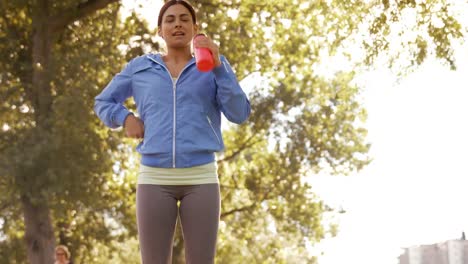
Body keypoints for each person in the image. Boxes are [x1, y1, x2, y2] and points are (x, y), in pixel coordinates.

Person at [94, 0, 251, 263]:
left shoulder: (214, 67)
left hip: (201, 177)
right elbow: (103, 102)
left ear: (195, 28)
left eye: (184, 19)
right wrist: (125, 117)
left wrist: (219, 68)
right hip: (154, 177)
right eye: (170, 19)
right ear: (160, 31)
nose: (177, 23)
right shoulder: (140, 68)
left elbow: (239, 113)